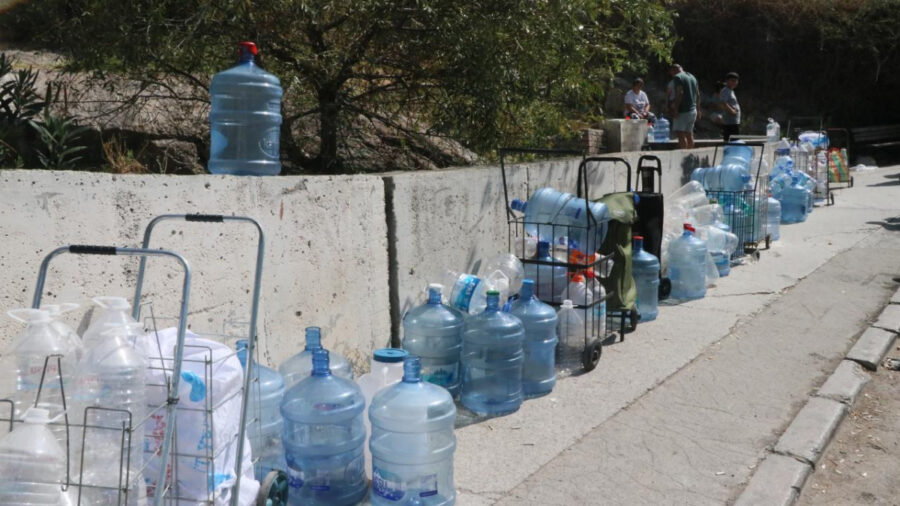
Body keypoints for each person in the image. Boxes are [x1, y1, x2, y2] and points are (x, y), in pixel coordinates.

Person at [666, 63, 700, 149]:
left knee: (680, 133)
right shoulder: (692, 77)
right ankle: (690, 154)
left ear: (673, 70)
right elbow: (698, 94)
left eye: (671, 72)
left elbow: (680, 93)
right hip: (693, 110)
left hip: (683, 111)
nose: (671, 75)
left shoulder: (678, 77)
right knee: (689, 134)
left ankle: (683, 154)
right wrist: (698, 109)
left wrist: (676, 109)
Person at [719, 72, 741, 142]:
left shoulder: (730, 90)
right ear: (727, 81)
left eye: (736, 81)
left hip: (733, 121)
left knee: (735, 141)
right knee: (732, 141)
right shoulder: (725, 90)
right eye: (732, 80)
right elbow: (723, 103)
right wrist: (732, 111)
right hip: (729, 122)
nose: (734, 83)